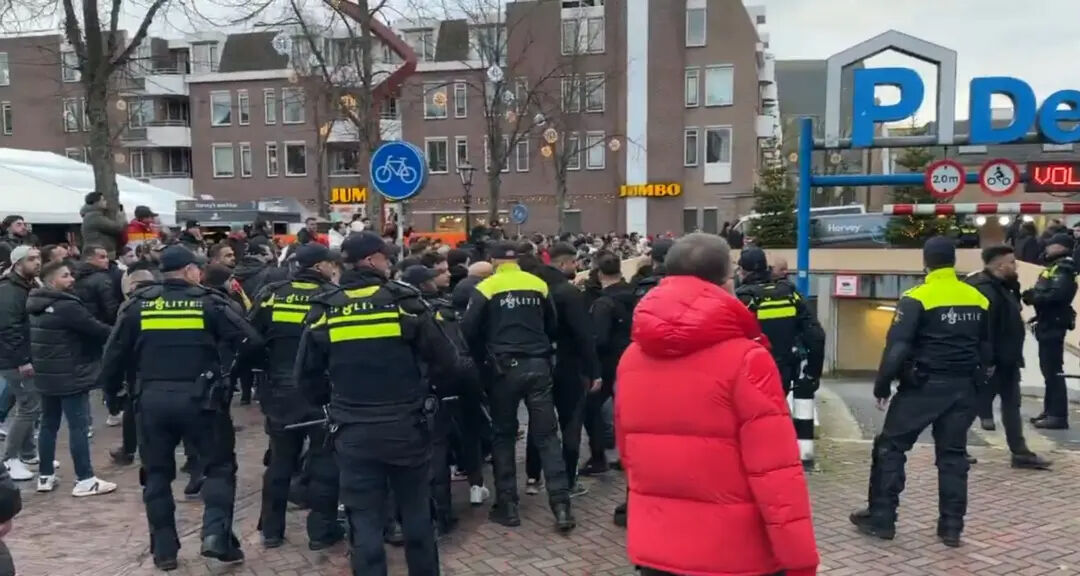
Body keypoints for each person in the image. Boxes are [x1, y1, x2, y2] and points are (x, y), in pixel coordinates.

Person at [616, 233, 818, 576]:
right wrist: (800, 561)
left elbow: (629, 453)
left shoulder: (632, 357)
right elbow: (775, 473)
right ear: (727, 281)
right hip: (734, 555)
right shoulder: (748, 359)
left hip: (657, 548)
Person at [295, 232, 460, 576]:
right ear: (371, 260)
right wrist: (427, 391)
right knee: (416, 512)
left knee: (364, 518)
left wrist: (332, 403)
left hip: (352, 428)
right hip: (406, 426)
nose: (389, 263)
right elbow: (447, 360)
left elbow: (306, 376)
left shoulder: (326, 308)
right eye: (386, 257)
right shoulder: (404, 302)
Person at [98, 245, 263, 570]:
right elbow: (251, 341)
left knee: (156, 474)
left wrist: (114, 395)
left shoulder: (138, 305)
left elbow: (113, 355)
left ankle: (164, 551)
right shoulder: (210, 302)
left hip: (152, 401)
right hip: (202, 400)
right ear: (189, 270)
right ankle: (216, 536)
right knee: (218, 467)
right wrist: (229, 374)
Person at [851, 236, 991, 548]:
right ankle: (951, 527)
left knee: (890, 447)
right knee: (953, 456)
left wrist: (882, 384)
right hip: (963, 387)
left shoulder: (917, 297)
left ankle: (882, 518)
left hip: (922, 388)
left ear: (925, 261)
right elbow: (986, 348)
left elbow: (898, 346)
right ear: (953, 261)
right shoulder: (977, 298)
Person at [460, 241, 575, 532]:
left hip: (503, 370)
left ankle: (508, 506)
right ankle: (562, 506)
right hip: (538, 365)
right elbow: (552, 325)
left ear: (493, 261)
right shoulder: (537, 284)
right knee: (547, 437)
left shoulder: (487, 287)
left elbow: (468, 330)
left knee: (503, 435)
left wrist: (483, 358)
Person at [249, 244, 343, 550]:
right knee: (323, 459)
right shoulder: (333, 297)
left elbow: (250, 337)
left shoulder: (272, 294)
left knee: (280, 459)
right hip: (320, 390)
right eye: (330, 264)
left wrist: (264, 371)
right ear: (320, 266)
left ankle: (271, 530)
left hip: (280, 390)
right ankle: (321, 531)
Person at [27, 260, 117, 496]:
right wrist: (121, 333)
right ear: (52, 281)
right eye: (65, 276)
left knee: (48, 424)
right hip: (71, 373)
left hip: (46, 374)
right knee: (78, 426)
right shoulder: (66, 306)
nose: (71, 279)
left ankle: (45, 475)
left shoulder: (35, 303)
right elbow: (96, 329)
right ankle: (85, 478)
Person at [735, 247, 825, 465]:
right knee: (774, 415)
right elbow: (816, 335)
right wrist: (812, 373)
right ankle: (779, 459)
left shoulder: (743, 298)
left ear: (743, 271)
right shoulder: (790, 294)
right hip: (784, 370)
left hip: (751, 373)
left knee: (750, 423)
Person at [523, 242, 600, 495]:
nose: (576, 266)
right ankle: (568, 479)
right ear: (564, 263)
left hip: (537, 362)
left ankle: (533, 476)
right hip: (568, 364)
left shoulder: (532, 288)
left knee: (538, 420)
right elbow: (584, 335)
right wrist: (594, 370)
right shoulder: (569, 292)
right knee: (570, 422)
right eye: (574, 262)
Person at [965, 245, 1051, 469]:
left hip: (1008, 359)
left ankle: (1020, 453)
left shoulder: (1005, 287)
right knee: (973, 405)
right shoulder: (985, 290)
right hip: (993, 361)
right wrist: (987, 361)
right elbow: (985, 330)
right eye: (1012, 262)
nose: (1016, 266)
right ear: (999, 265)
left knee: (1011, 405)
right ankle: (954, 447)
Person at [1022, 233, 1077, 430]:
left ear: (1061, 247)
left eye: (1051, 245)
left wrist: (1034, 296)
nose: (1047, 248)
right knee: (1049, 371)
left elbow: (1057, 295)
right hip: (1048, 321)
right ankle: (1049, 410)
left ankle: (1057, 415)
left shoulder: (1063, 269)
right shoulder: (1056, 267)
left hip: (1053, 324)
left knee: (1053, 372)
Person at [587, 251, 634, 471]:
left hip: (609, 362)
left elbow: (600, 338)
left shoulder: (603, 303)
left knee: (592, 407)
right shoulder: (634, 294)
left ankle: (598, 457)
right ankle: (628, 455)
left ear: (598, 273)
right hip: (632, 358)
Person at [0, 246, 42, 481]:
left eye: (38, 258)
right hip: (14, 358)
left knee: (27, 403)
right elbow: (9, 328)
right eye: (31, 259)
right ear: (17, 263)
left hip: (21, 355)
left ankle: (28, 453)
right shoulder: (9, 290)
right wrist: (23, 360)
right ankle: (10, 458)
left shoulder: (28, 285)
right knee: (29, 405)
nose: (37, 262)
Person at [74, 245, 120, 326]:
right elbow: (110, 308)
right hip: (103, 325)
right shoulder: (101, 278)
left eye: (107, 257)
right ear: (89, 259)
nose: (107, 260)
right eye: (102, 257)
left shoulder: (74, 275)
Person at [79, 192, 126, 258]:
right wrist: (121, 216)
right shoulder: (95, 217)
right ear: (96, 203)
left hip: (97, 252)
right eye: (103, 200)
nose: (105, 202)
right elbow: (117, 228)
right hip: (98, 254)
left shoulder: (91, 215)